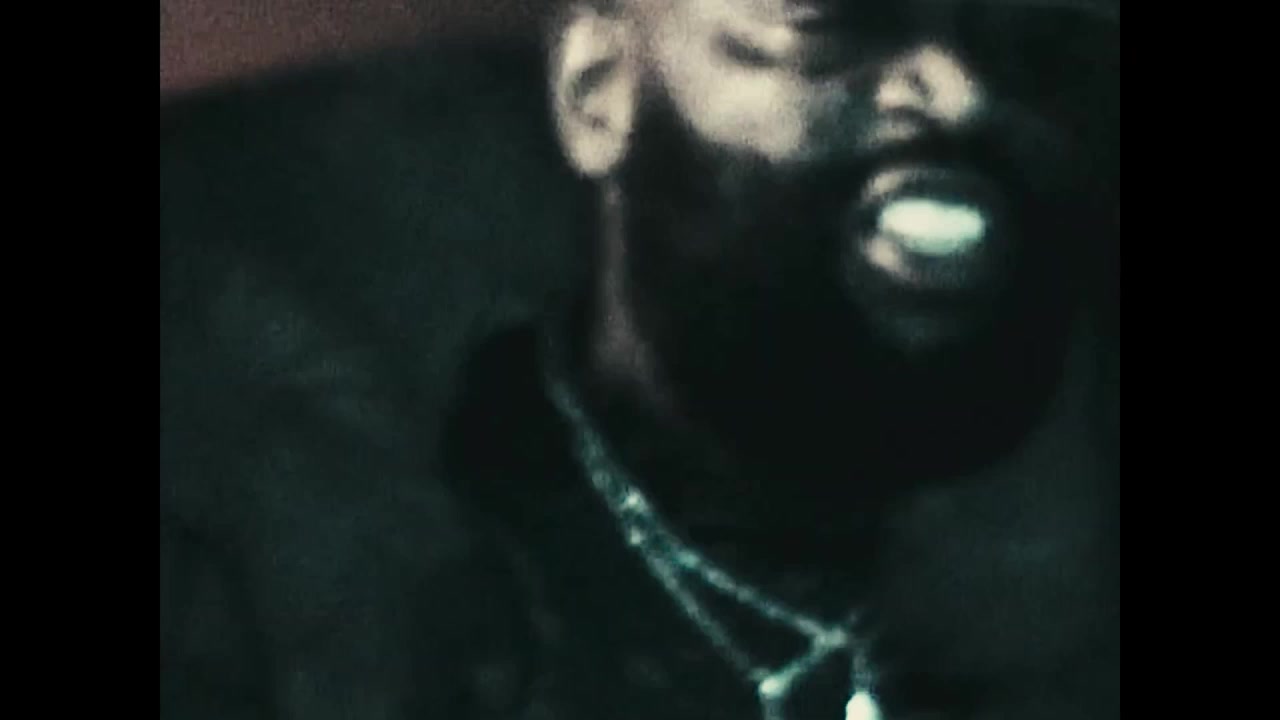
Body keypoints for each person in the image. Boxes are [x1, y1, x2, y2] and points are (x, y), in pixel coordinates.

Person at [160, 2, 1119, 719]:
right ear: (596, 91)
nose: (963, 95)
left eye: (1040, 45)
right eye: (832, 24)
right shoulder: (324, 597)